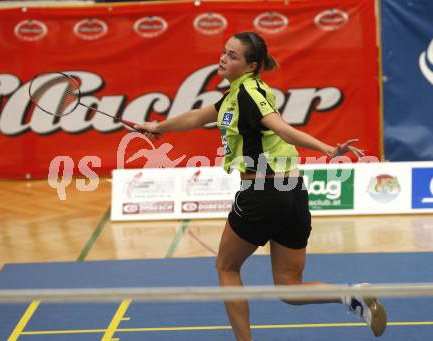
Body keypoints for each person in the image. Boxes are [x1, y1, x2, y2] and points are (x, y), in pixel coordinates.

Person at [134, 31, 387, 341]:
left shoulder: (249, 94)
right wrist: (157, 126)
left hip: (262, 193)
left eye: (233, 56)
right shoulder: (238, 93)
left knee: (226, 267)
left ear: (251, 65)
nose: (223, 58)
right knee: (288, 287)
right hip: (292, 193)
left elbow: (282, 129)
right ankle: (350, 296)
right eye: (224, 52)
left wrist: (328, 150)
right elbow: (198, 116)